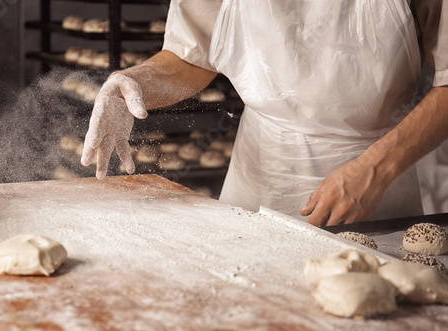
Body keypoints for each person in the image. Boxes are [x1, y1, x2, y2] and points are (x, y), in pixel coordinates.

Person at [81, 0, 448, 227]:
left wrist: (375, 171)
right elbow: (191, 57)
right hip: (258, 180)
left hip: (376, 186)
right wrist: (132, 83)